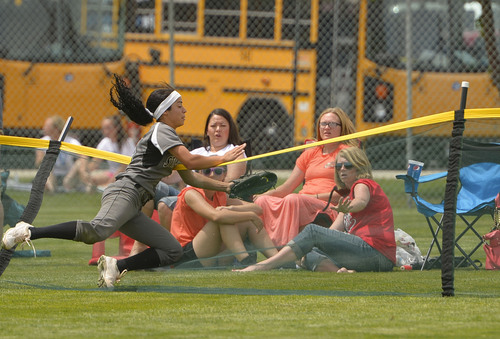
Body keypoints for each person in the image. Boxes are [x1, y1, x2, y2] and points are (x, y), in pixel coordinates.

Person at [1, 75, 246, 287]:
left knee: (172, 250)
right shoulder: (162, 131)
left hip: (135, 201)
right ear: (166, 111)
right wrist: (221, 157)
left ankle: (115, 267)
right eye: (180, 106)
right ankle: (29, 231)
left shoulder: (170, 137)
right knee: (96, 231)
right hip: (125, 192)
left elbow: (191, 177)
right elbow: (192, 162)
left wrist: (226, 186)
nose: (185, 110)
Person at [236, 147, 396, 273]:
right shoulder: (346, 199)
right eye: (338, 166)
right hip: (366, 256)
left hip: (376, 253)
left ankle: (264, 265)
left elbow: (361, 201)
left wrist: (350, 207)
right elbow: (332, 233)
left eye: (347, 165)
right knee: (308, 253)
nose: (342, 170)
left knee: (312, 231)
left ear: (359, 167)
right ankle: (340, 272)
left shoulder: (363, 184)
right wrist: (307, 246)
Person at [130, 108, 247, 255]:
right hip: (186, 196)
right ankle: (139, 245)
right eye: (213, 126)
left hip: (205, 200)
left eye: (223, 126)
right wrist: (152, 159)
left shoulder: (234, 152)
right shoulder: (196, 153)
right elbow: (169, 177)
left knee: (165, 203)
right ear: (206, 131)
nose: (218, 130)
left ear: (230, 130)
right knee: (149, 185)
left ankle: (167, 252)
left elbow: (230, 184)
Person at [254, 107, 358, 247]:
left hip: (327, 205)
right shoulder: (311, 153)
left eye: (332, 124)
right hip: (301, 202)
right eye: (323, 123)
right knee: (263, 202)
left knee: (292, 199)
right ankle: (270, 249)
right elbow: (287, 187)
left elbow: (346, 192)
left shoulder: (347, 153)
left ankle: (285, 249)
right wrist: (263, 195)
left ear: (341, 128)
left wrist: (311, 197)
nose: (327, 127)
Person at [170, 165, 277, 268]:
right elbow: (216, 216)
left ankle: (278, 260)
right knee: (223, 218)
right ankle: (246, 262)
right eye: (207, 171)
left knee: (236, 218)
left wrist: (232, 209)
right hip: (184, 255)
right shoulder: (191, 193)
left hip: (206, 251)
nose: (212, 175)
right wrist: (250, 215)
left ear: (223, 175)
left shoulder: (220, 194)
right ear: (198, 174)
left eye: (217, 171)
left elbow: (257, 209)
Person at [85, 115, 136, 191]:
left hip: (127, 176)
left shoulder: (127, 142)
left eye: (108, 128)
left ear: (116, 128)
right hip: (111, 174)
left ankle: (106, 187)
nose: (106, 131)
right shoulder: (105, 142)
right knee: (92, 177)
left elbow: (124, 167)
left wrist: (109, 184)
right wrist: (86, 173)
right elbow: (95, 162)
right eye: (104, 129)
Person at [35, 115, 87, 193]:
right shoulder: (43, 142)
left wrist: (83, 171)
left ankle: (76, 185)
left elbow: (84, 155)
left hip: (69, 176)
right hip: (52, 175)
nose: (43, 128)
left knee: (80, 162)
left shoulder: (71, 142)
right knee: (44, 163)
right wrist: (41, 157)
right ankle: (50, 188)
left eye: (47, 126)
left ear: (56, 129)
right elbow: (38, 163)